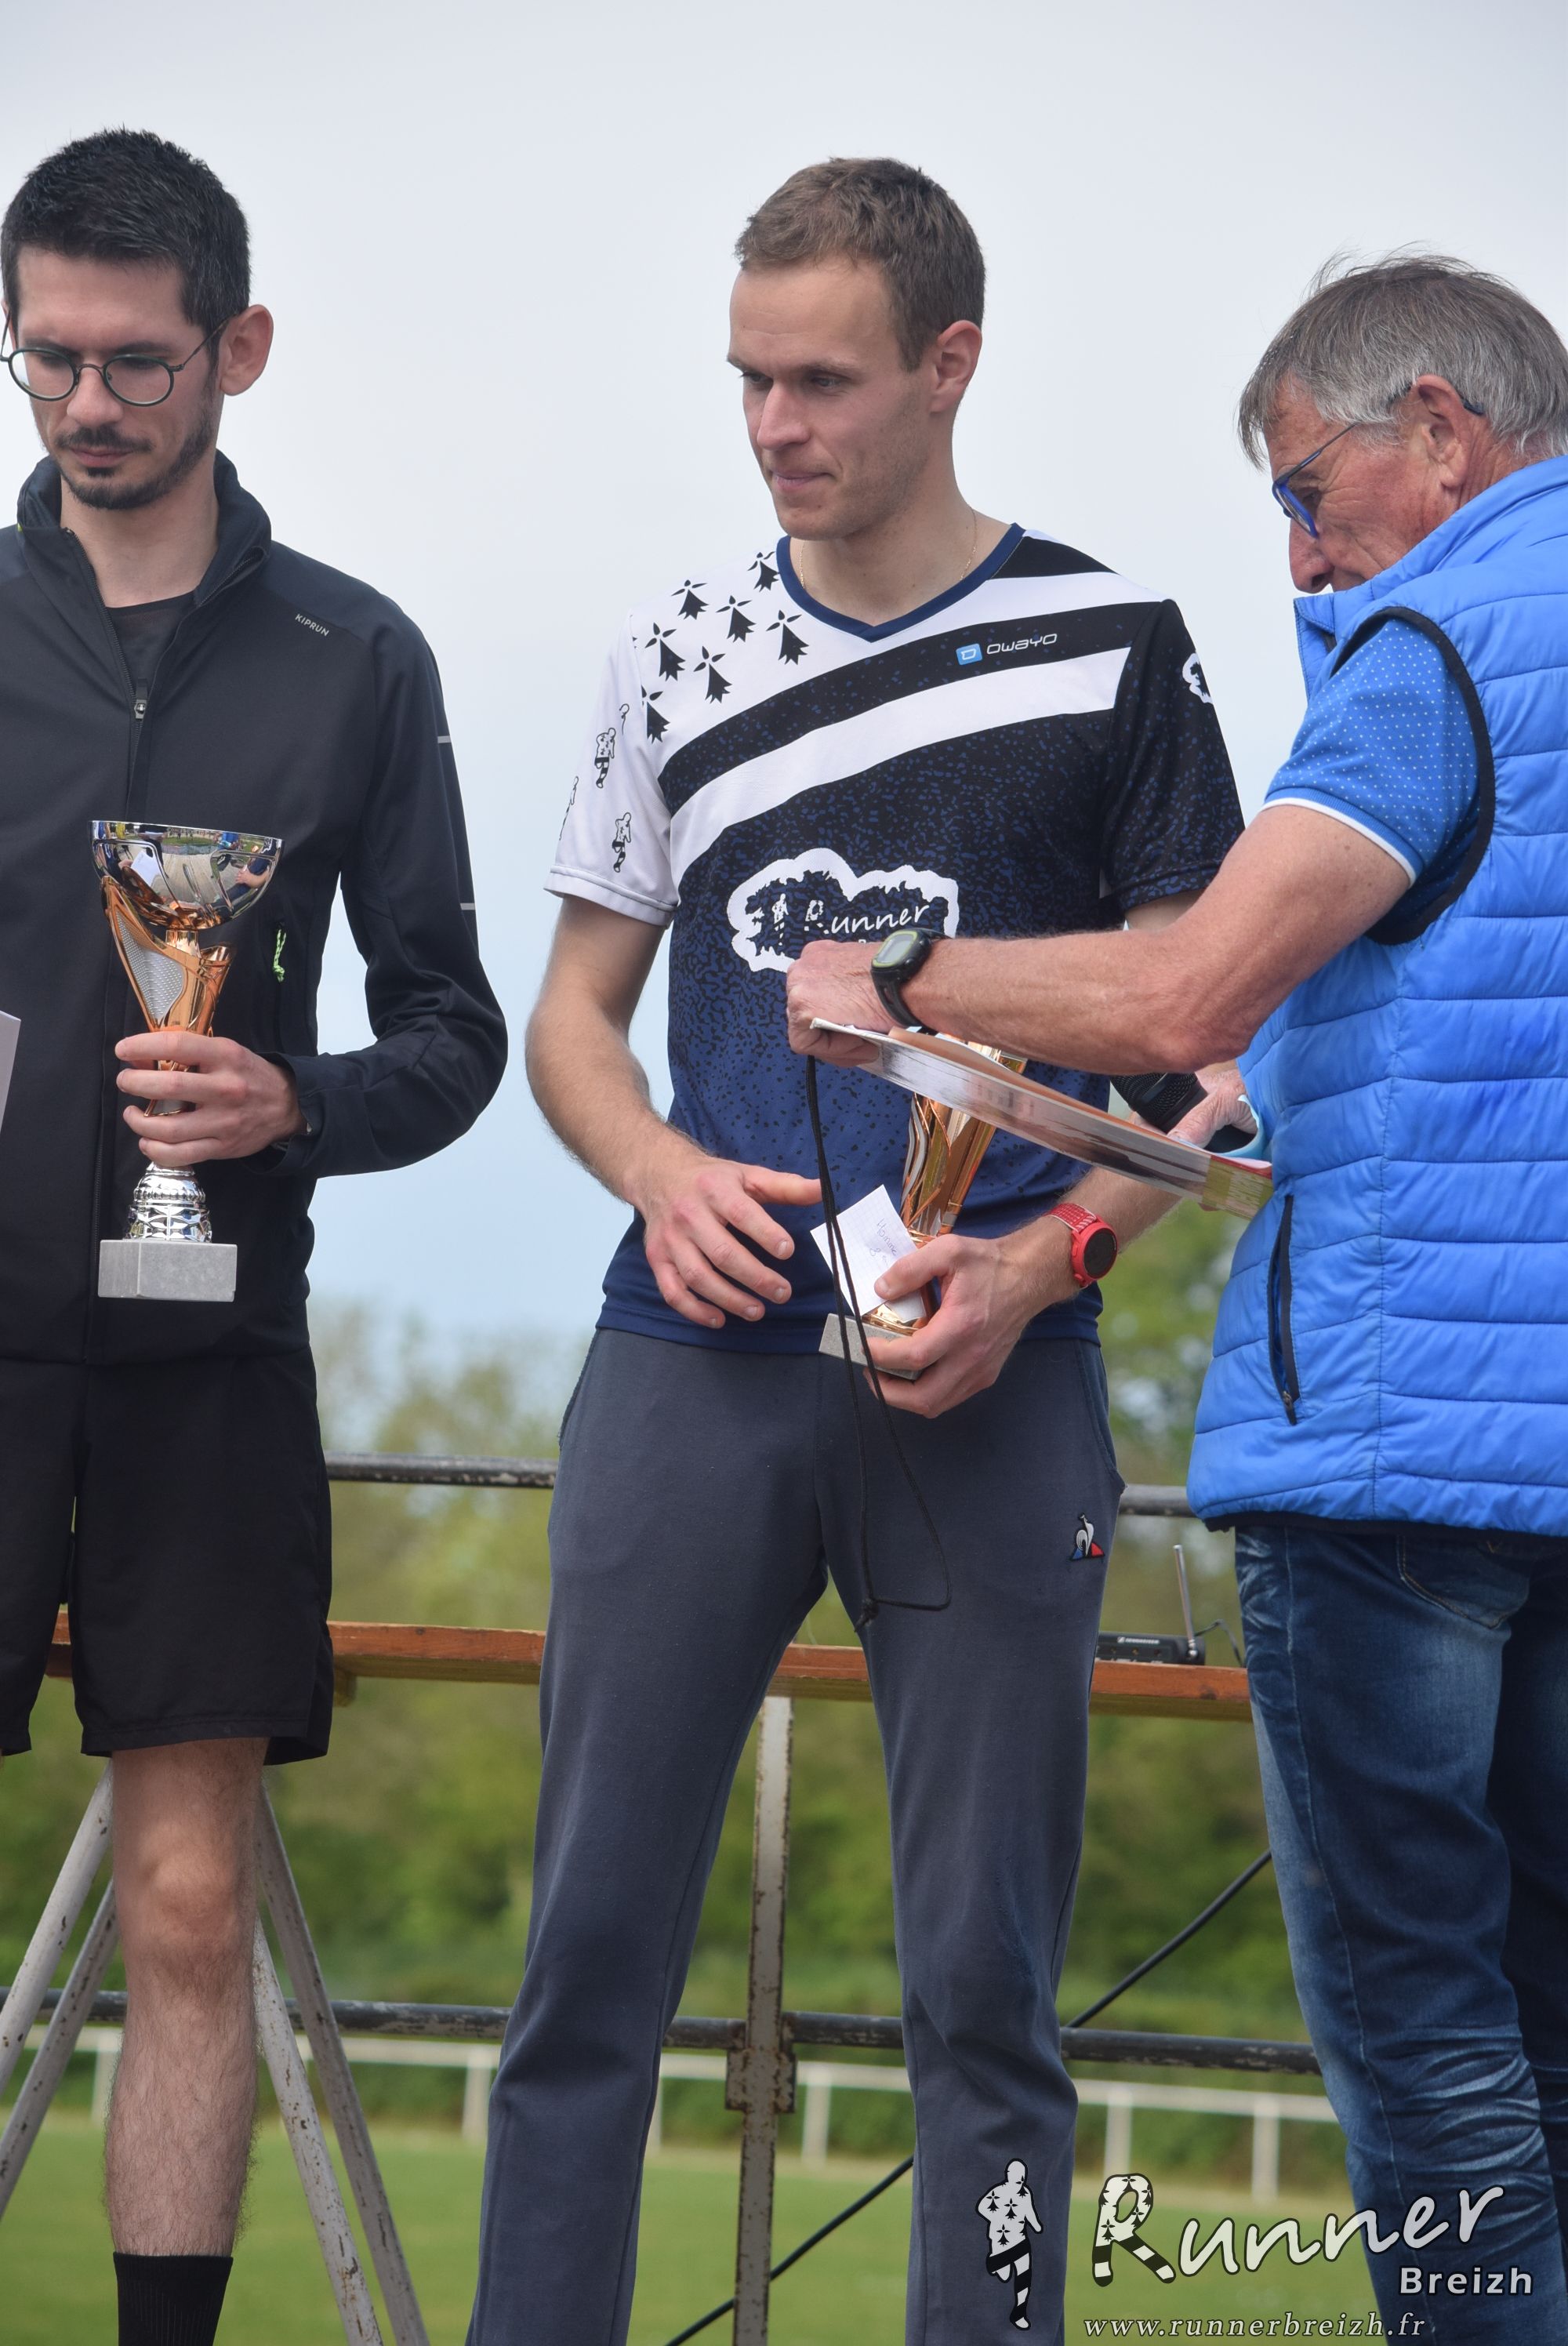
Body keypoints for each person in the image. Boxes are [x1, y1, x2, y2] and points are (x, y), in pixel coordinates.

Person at [472, 156, 1243, 2346]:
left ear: (949, 365)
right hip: (686, 1364)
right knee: (583, 1975)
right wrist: (657, 1172)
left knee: (988, 2003)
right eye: (748, 378)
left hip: (997, 1376)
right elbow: (570, 1020)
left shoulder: (1117, 644)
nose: (773, 424)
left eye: (820, 380)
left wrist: (1046, 1263)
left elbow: (1212, 1056)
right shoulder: (673, 652)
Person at [789, 253, 1568, 2341]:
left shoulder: (1434, 652)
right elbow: (1303, 1059)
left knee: (1433, 2061)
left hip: (1400, 1472)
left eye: (1310, 494)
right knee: (1556, 2047)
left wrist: (901, 978)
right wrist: (1072, 1233)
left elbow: (1189, 992)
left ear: (1439, 429)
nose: (1300, 555)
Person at [0, 130, 506, 2346]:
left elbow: (459, 1037)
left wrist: (294, 1103)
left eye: (135, 361)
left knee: (191, 1913)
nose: (85, 404)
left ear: (241, 349)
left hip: (207, 1362)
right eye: (44, 358)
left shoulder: (356, 658)